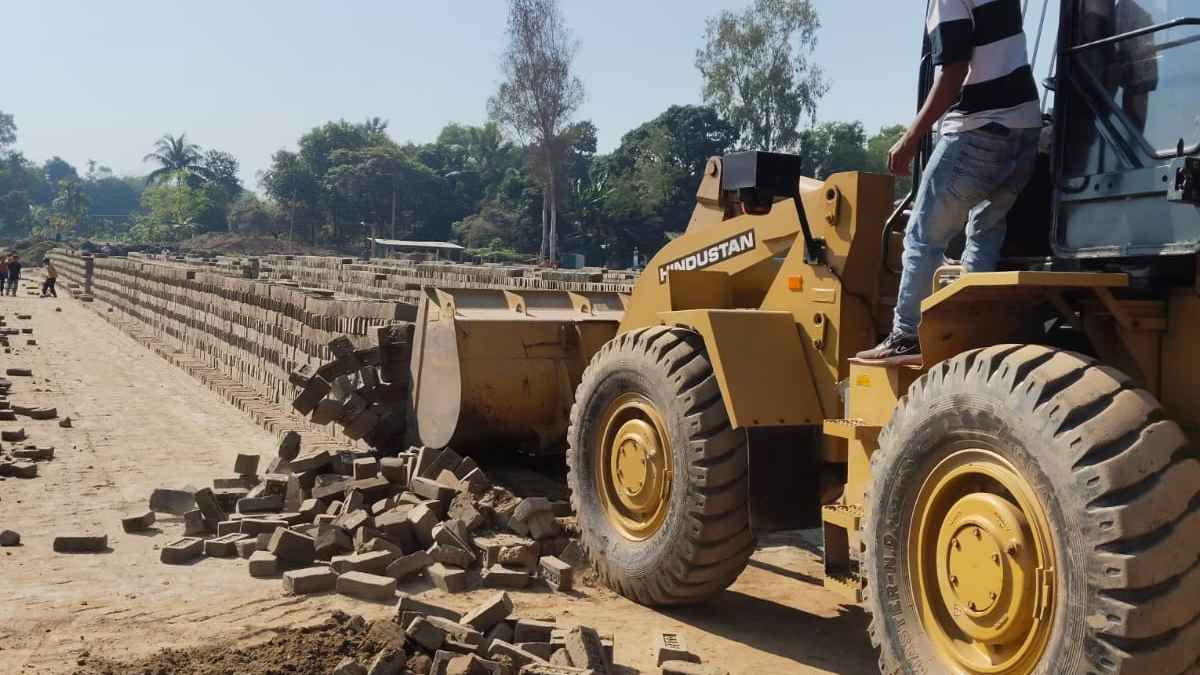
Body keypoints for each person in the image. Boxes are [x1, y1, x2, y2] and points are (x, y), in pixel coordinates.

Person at [856, 0, 1042, 365]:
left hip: (978, 130)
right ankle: (970, 334)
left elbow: (954, 70)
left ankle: (907, 335)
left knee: (923, 236)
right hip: (1026, 128)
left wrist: (909, 139)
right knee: (986, 229)